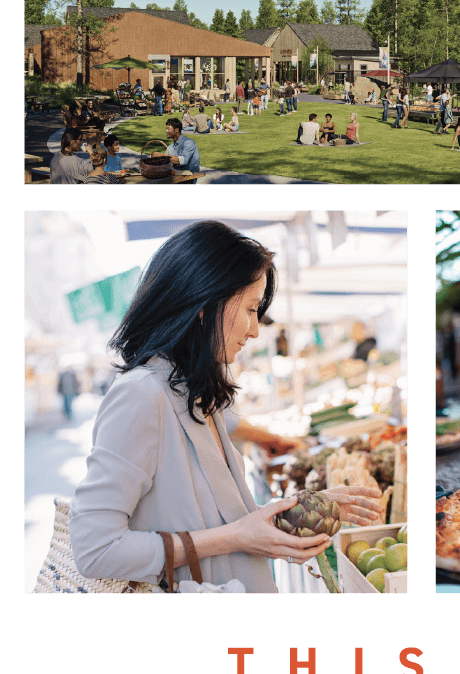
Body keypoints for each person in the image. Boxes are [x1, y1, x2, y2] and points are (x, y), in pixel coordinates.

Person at [69, 221, 384, 593]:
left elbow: (227, 521)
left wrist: (306, 511)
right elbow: (94, 549)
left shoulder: (194, 392)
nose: (254, 330)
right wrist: (235, 538)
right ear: (204, 302)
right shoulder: (141, 395)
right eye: (251, 309)